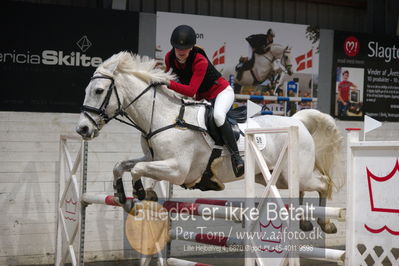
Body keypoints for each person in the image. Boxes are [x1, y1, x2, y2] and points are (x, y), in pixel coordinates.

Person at [164, 25, 244, 177]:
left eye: (185, 48)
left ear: (192, 47)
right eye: (178, 48)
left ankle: (236, 157)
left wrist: (166, 83)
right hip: (203, 98)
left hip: (221, 93)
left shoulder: (200, 60)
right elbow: (170, 80)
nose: (181, 52)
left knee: (218, 116)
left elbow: (190, 90)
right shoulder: (169, 58)